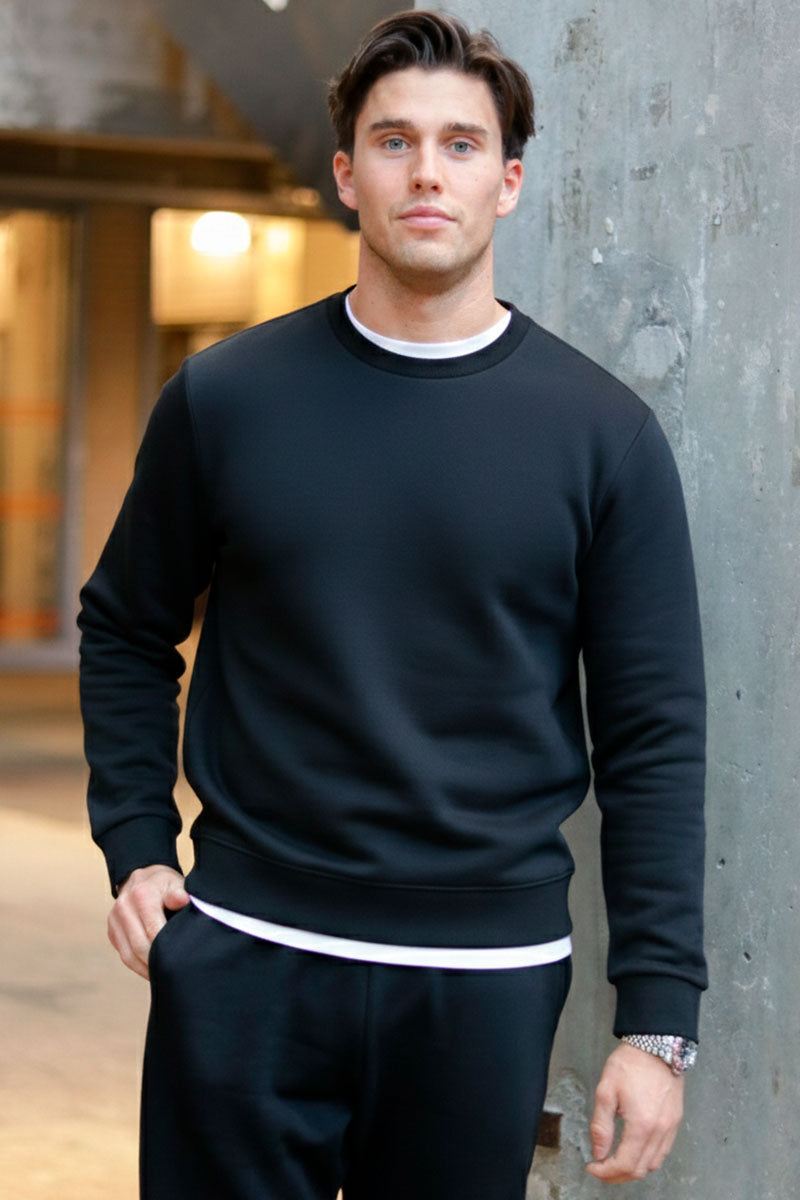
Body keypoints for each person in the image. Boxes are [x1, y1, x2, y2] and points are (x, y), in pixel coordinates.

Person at [78, 10, 706, 1198]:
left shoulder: (601, 436)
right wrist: (135, 845)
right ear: (344, 174)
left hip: (483, 981)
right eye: (394, 140)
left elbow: (653, 738)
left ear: (507, 182)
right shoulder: (228, 398)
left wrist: (656, 1021)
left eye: (461, 144)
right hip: (246, 953)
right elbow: (124, 625)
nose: (426, 172)